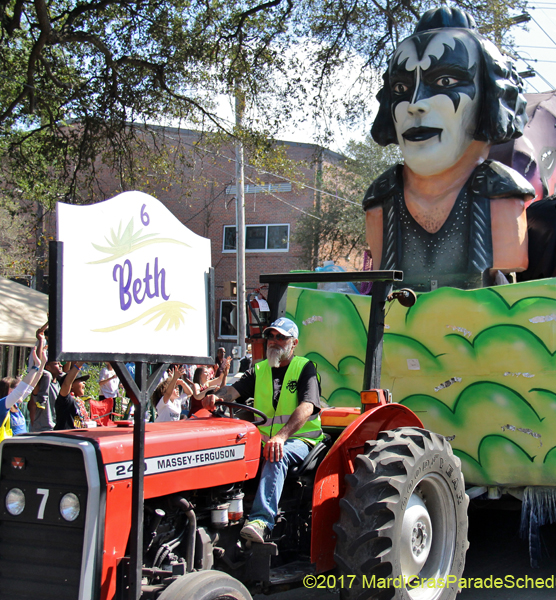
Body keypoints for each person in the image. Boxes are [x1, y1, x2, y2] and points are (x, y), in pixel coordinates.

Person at [363, 7, 533, 291]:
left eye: (444, 82)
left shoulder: (501, 193)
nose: (415, 103)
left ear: (490, 96)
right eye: (402, 88)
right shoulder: (381, 198)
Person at [210, 317, 322, 543]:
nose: (274, 341)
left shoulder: (304, 367)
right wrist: (216, 397)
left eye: (281, 337)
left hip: (300, 441)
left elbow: (307, 405)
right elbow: (233, 392)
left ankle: (261, 521)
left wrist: (281, 437)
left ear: (294, 342)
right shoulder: (259, 370)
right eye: (270, 336)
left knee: (275, 454)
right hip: (265, 441)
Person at [0, 330, 46, 551]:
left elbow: (28, 387)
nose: (20, 392)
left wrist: (40, 363)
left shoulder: (16, 410)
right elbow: (23, 388)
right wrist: (34, 368)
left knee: (17, 499)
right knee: (15, 499)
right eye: (15, 388)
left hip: (18, 461)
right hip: (7, 463)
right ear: (6, 392)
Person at [54, 362, 91, 430]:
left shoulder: (78, 401)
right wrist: (78, 365)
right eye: (81, 380)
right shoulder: (66, 400)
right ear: (72, 385)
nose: (84, 382)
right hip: (65, 438)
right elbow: (66, 384)